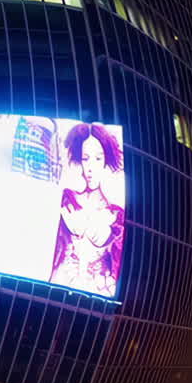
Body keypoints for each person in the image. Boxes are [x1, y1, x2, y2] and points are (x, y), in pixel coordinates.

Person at [50, 122, 126, 298]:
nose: (90, 167)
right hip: (59, 286)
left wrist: (95, 232)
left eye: (98, 158)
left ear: (106, 160)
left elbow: (117, 253)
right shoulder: (67, 198)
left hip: (98, 291)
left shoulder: (115, 214)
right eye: (85, 158)